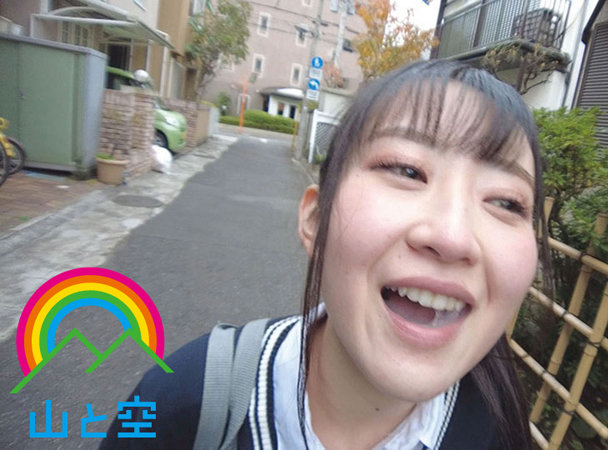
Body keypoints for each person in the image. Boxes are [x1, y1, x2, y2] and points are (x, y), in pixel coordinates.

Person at [101, 60, 549, 449]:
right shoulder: (182, 400)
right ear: (316, 220)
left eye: (506, 202)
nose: (453, 236)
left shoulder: (496, 426)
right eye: (407, 170)